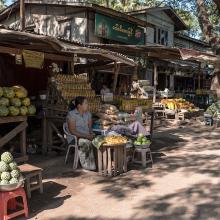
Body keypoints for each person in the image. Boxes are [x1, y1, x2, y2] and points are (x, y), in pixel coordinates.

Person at [66, 96, 96, 171]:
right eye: (85, 103)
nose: (87, 105)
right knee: (85, 142)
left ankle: (97, 162)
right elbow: (72, 131)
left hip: (86, 135)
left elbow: (90, 128)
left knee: (99, 140)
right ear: (79, 105)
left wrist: (91, 134)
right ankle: (88, 165)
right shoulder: (72, 114)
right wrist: (87, 136)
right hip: (75, 138)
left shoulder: (88, 114)